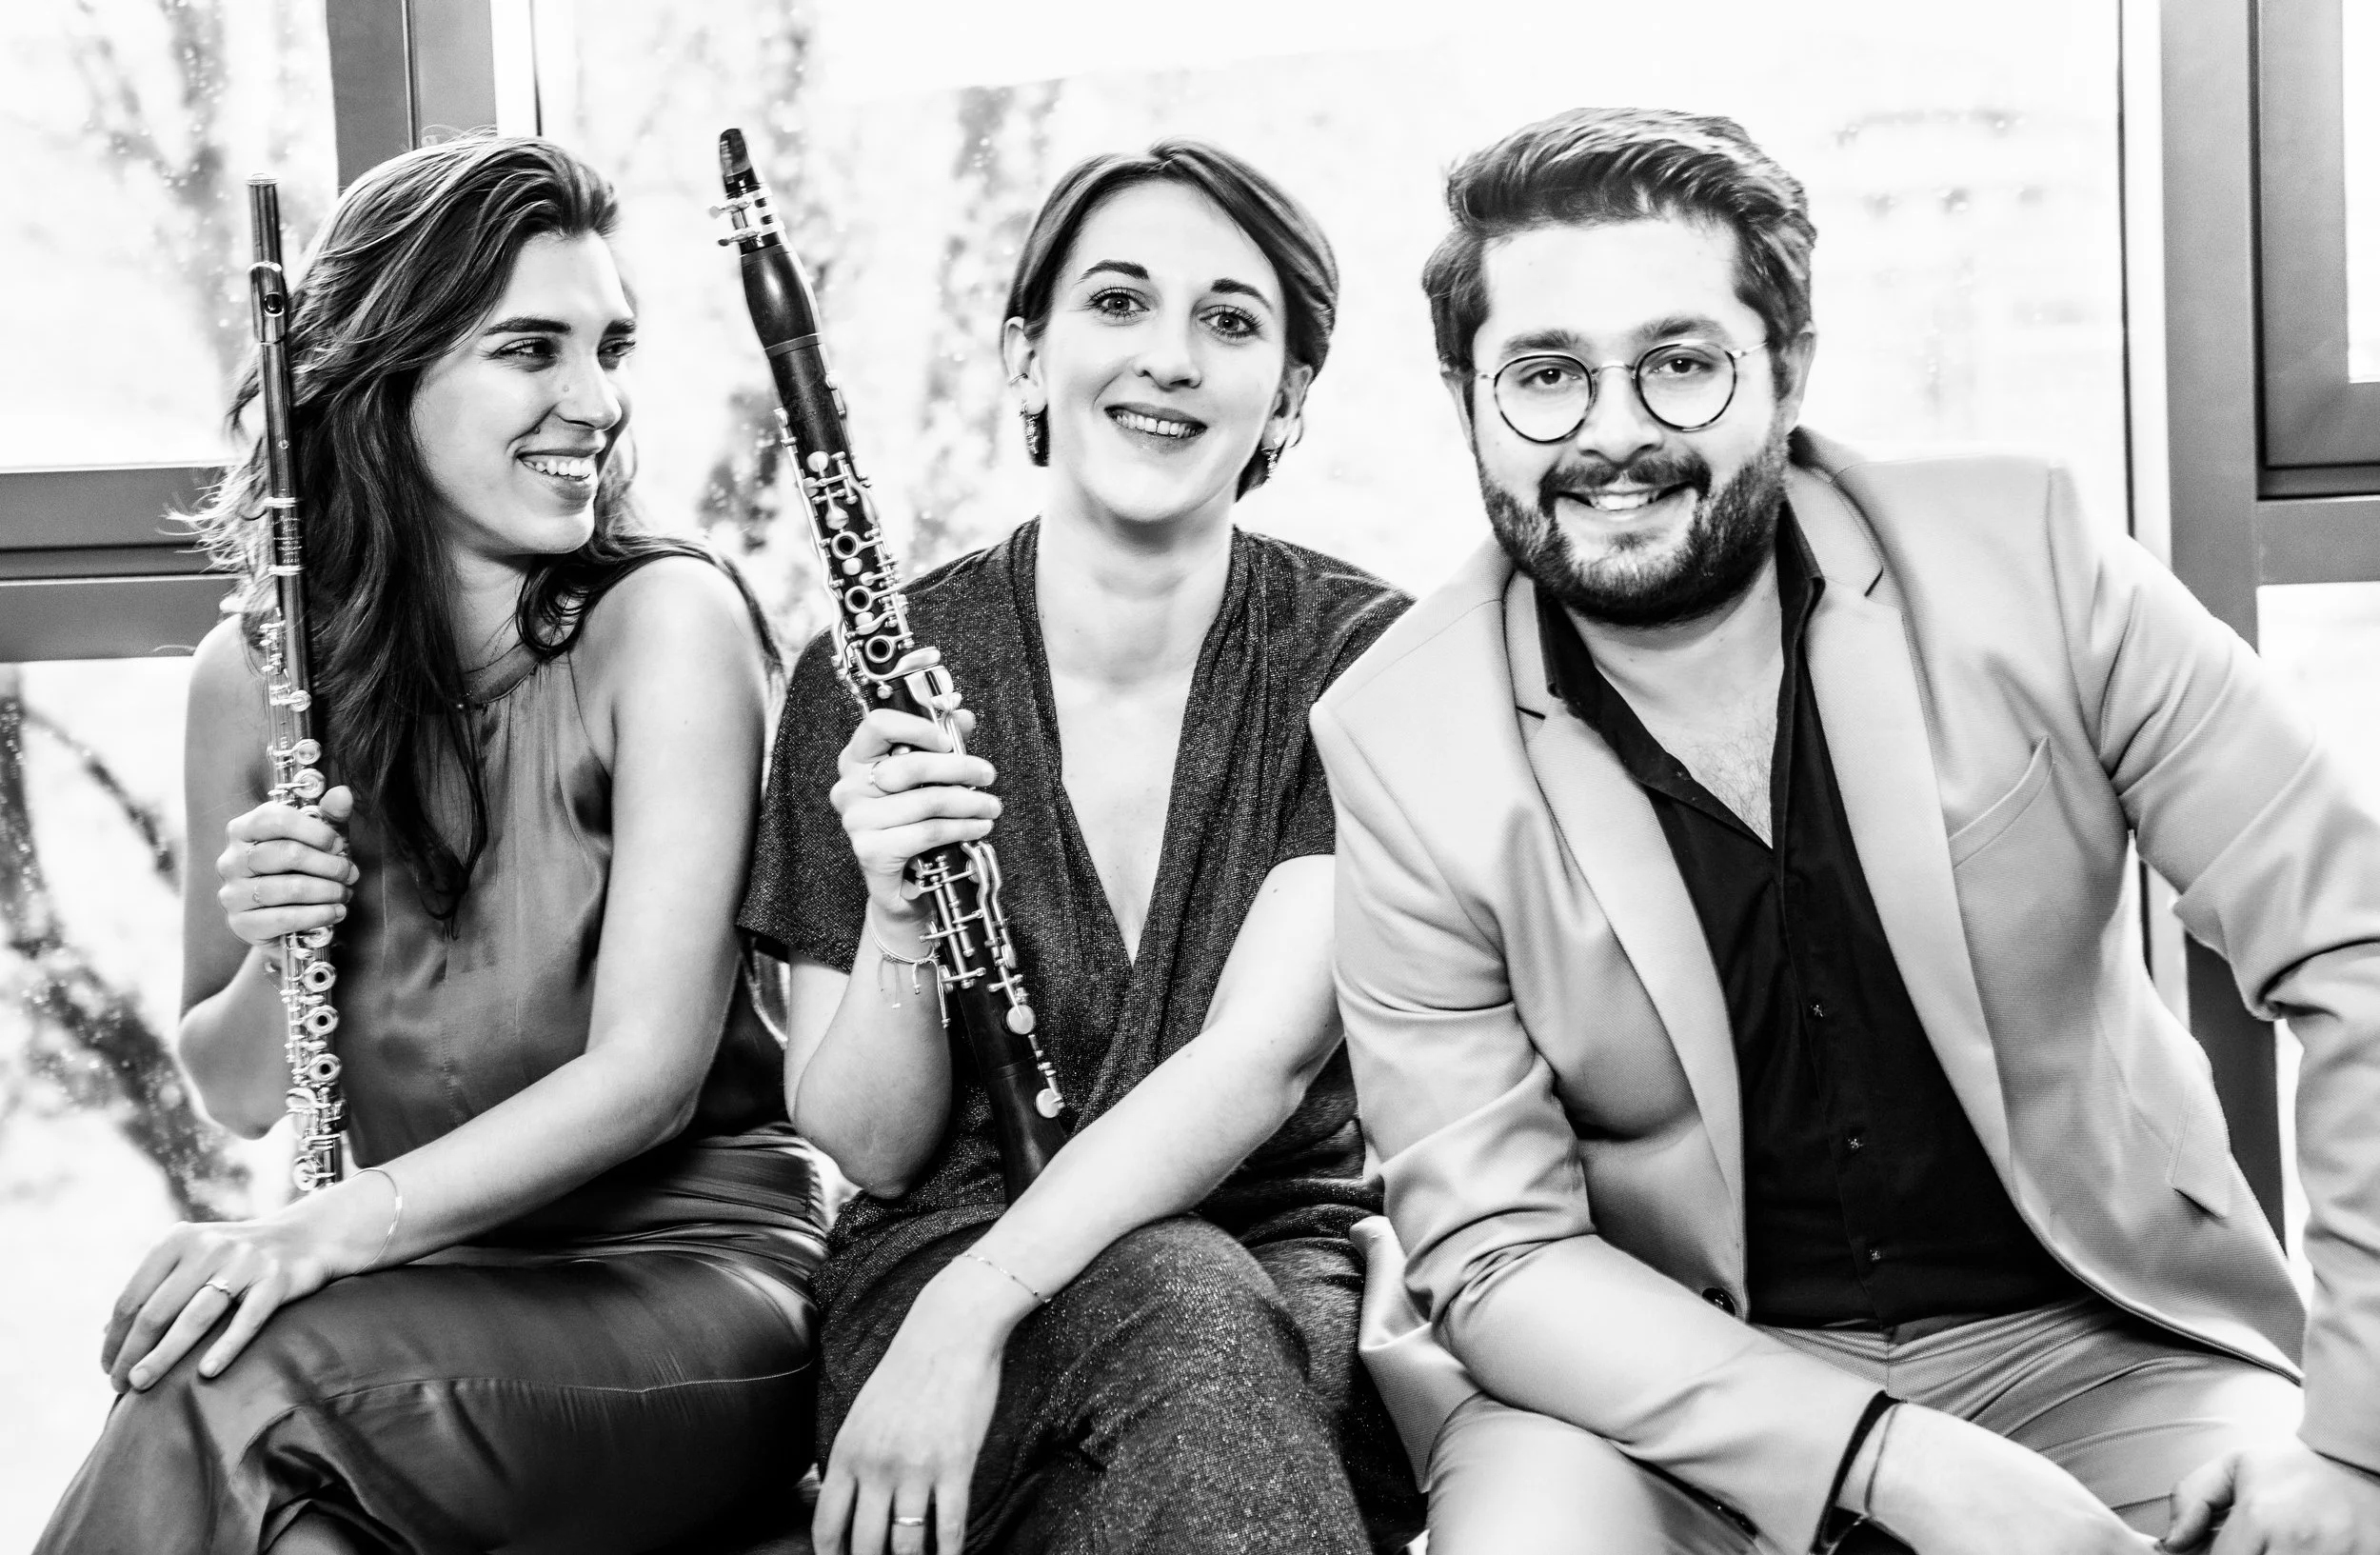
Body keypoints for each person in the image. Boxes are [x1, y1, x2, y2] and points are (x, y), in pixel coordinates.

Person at [1319, 107, 2380, 1555]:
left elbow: (2357, 937)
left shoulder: (2034, 559)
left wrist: (2359, 1443)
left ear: (1790, 370)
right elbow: (1499, 1253)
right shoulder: (1395, 736)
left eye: (1681, 366)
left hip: (2094, 1347)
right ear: (1469, 396)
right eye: (1546, 377)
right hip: (1654, 1406)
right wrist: (1895, 1462)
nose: (1613, 434)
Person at [37, 134, 824, 1555]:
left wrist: (317, 1238)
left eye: (612, 348)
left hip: (693, 1283)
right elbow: (236, 1093)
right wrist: (290, 946)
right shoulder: (254, 671)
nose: (595, 403)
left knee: (235, 1376)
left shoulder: (669, 628)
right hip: (417, 1297)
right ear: (378, 377)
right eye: (532, 349)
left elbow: (645, 1082)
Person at [741, 139, 1423, 1555]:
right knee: (1187, 1334)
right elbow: (869, 1139)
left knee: (1190, 1308)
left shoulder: (1363, 661)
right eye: (1118, 303)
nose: (1168, 357)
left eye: (1229, 322)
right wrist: (896, 917)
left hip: (1262, 1267)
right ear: (1025, 354)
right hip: (929, 1272)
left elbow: (1265, 1060)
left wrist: (978, 1305)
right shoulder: (858, 677)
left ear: (1288, 394)